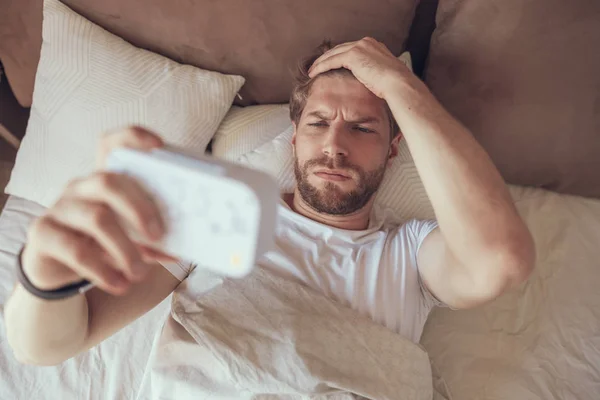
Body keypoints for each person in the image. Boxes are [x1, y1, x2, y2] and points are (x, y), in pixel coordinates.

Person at [5, 38, 535, 366]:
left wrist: (403, 88)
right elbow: (48, 348)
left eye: (363, 127)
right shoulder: (215, 220)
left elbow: (500, 259)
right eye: (319, 122)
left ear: (396, 147)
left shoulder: (412, 255)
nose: (334, 143)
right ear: (294, 136)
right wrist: (45, 273)